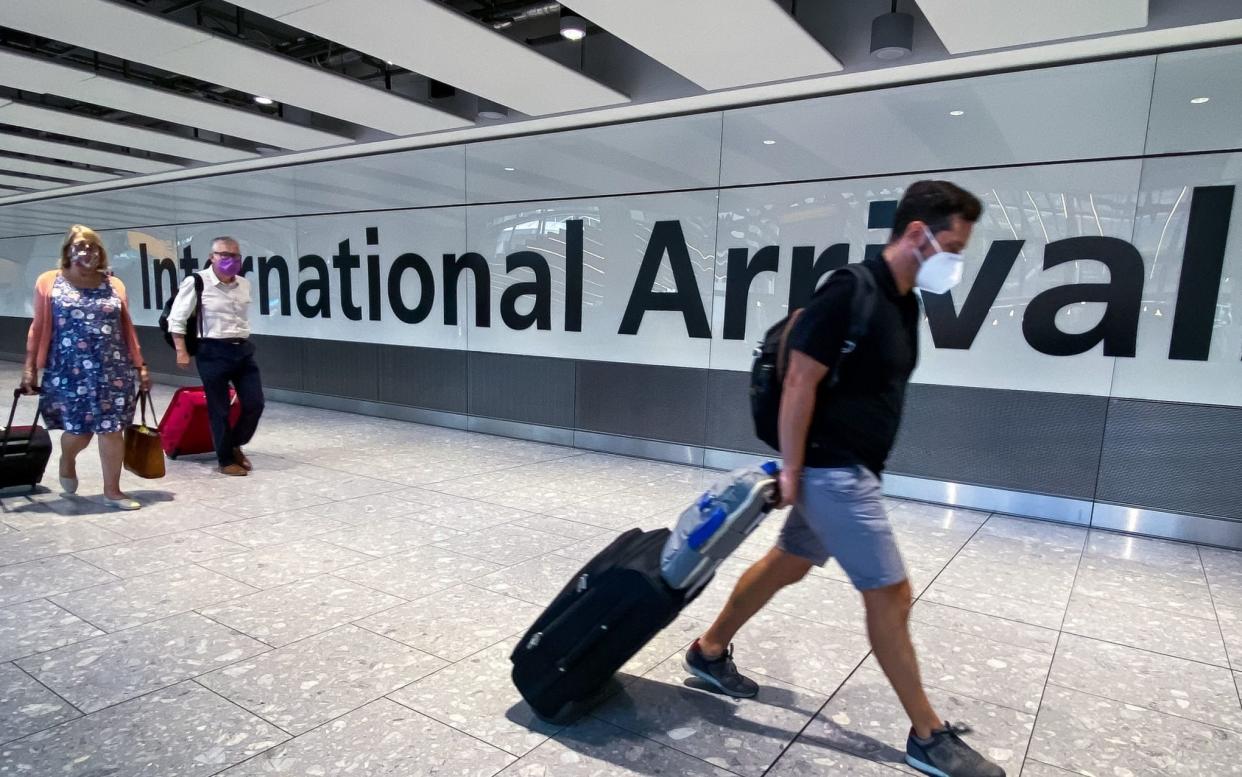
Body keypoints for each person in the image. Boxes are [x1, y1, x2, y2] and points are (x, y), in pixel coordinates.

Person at [684, 181, 1004, 777]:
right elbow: (801, 379)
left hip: (848, 467)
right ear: (917, 234)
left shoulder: (904, 301)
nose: (957, 259)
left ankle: (708, 651)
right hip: (832, 470)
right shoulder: (849, 289)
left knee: (790, 563)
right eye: (953, 245)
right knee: (891, 593)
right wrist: (796, 470)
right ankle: (928, 737)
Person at [20, 225, 151, 510]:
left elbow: (126, 328)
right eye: (80, 245)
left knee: (112, 429)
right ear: (67, 251)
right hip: (69, 370)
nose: (87, 251)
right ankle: (68, 460)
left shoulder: (113, 284)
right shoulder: (49, 282)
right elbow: (38, 326)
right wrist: (29, 367)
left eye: (92, 246)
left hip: (113, 369)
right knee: (79, 432)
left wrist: (140, 365)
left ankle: (112, 491)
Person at [165, 236, 264, 477]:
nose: (230, 260)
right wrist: (182, 351)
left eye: (235, 255)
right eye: (224, 255)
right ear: (212, 257)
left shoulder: (243, 284)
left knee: (254, 403)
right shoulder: (197, 282)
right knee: (218, 409)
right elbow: (176, 319)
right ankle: (225, 459)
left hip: (242, 348)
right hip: (212, 350)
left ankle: (233, 443)